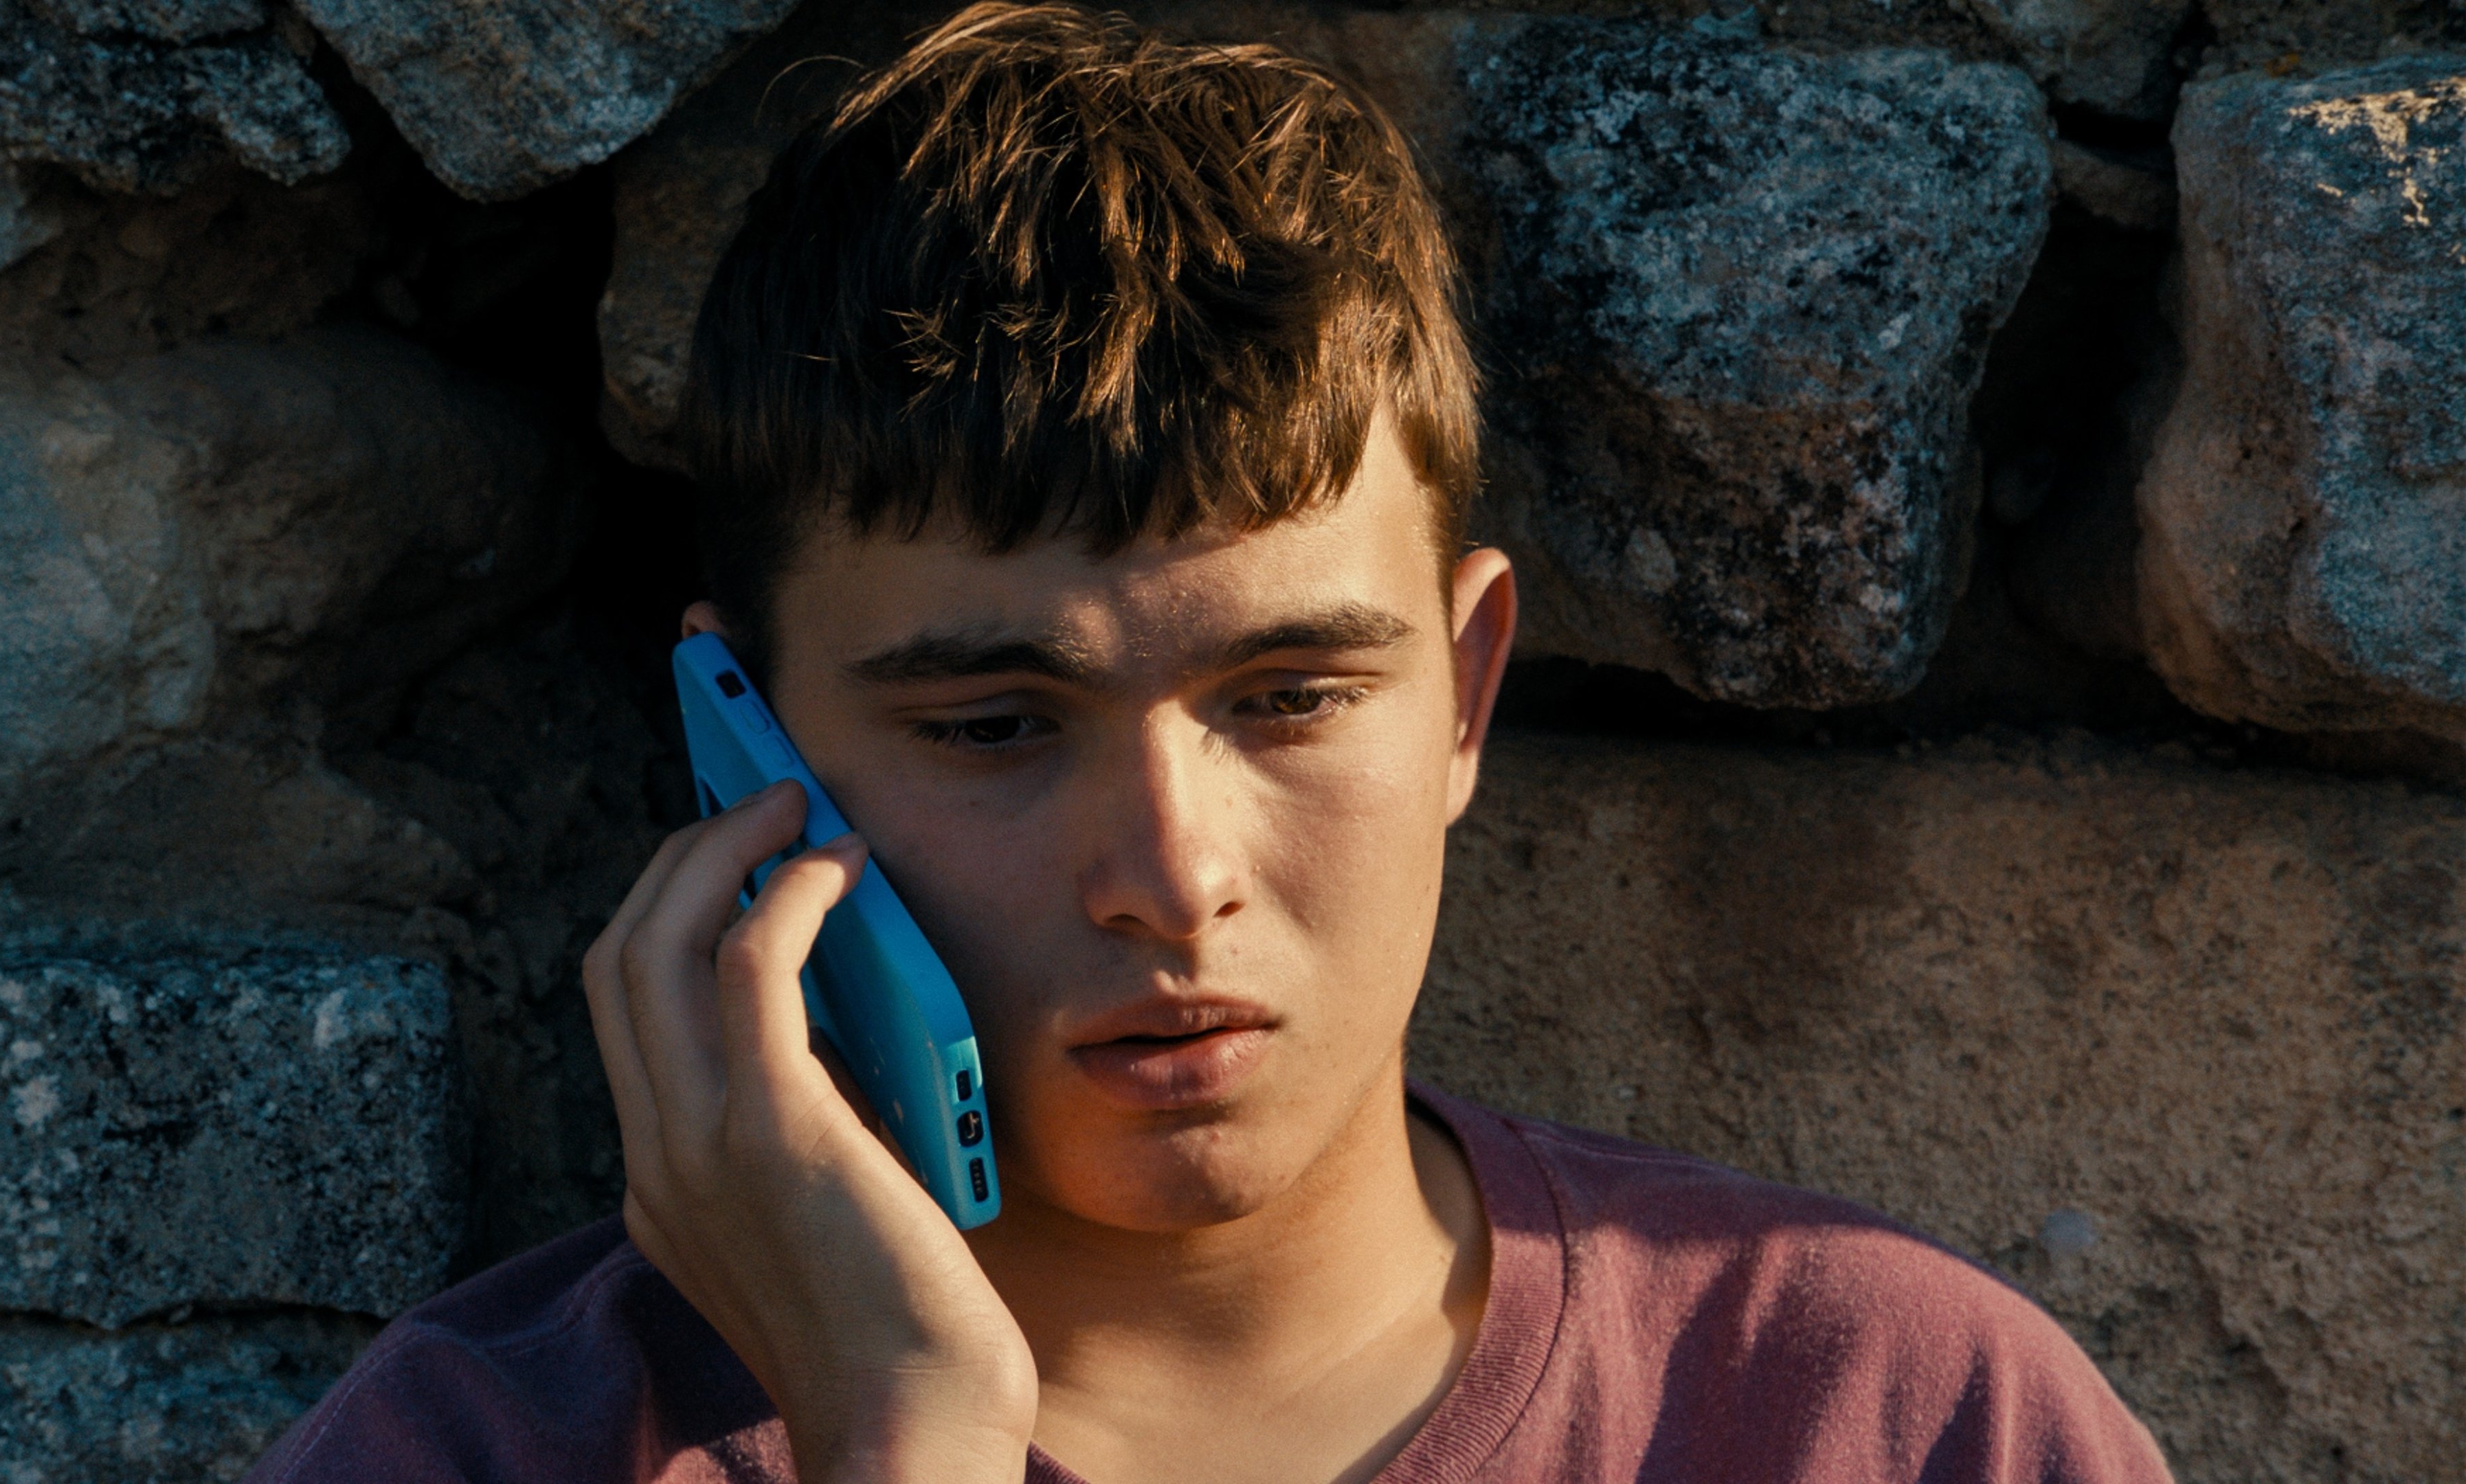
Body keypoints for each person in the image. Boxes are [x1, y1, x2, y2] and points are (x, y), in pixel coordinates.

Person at [245, 6, 2174, 1481]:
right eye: (996, 725)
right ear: (745, 758)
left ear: (1466, 694)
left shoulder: (1900, 1418)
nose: (1173, 879)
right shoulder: (473, 1451)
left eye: (1293, 698)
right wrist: (903, 1438)